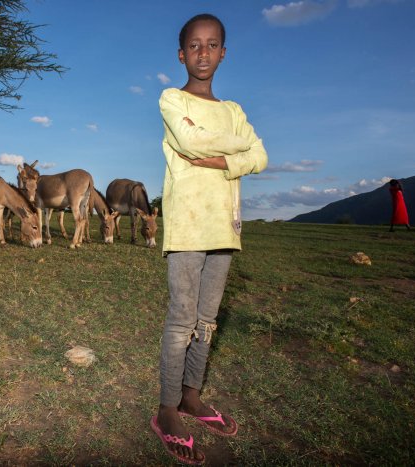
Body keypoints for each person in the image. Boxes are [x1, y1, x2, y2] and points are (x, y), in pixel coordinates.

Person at [152, 13, 268, 465]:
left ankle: (191, 397)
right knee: (182, 318)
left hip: (225, 226)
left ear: (223, 52)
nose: (203, 52)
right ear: (182, 54)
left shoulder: (234, 110)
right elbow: (188, 140)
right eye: (194, 46)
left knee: (207, 319)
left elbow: (260, 154)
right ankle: (166, 409)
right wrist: (236, 145)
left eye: (212, 44)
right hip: (186, 226)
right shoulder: (170, 98)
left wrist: (223, 160)